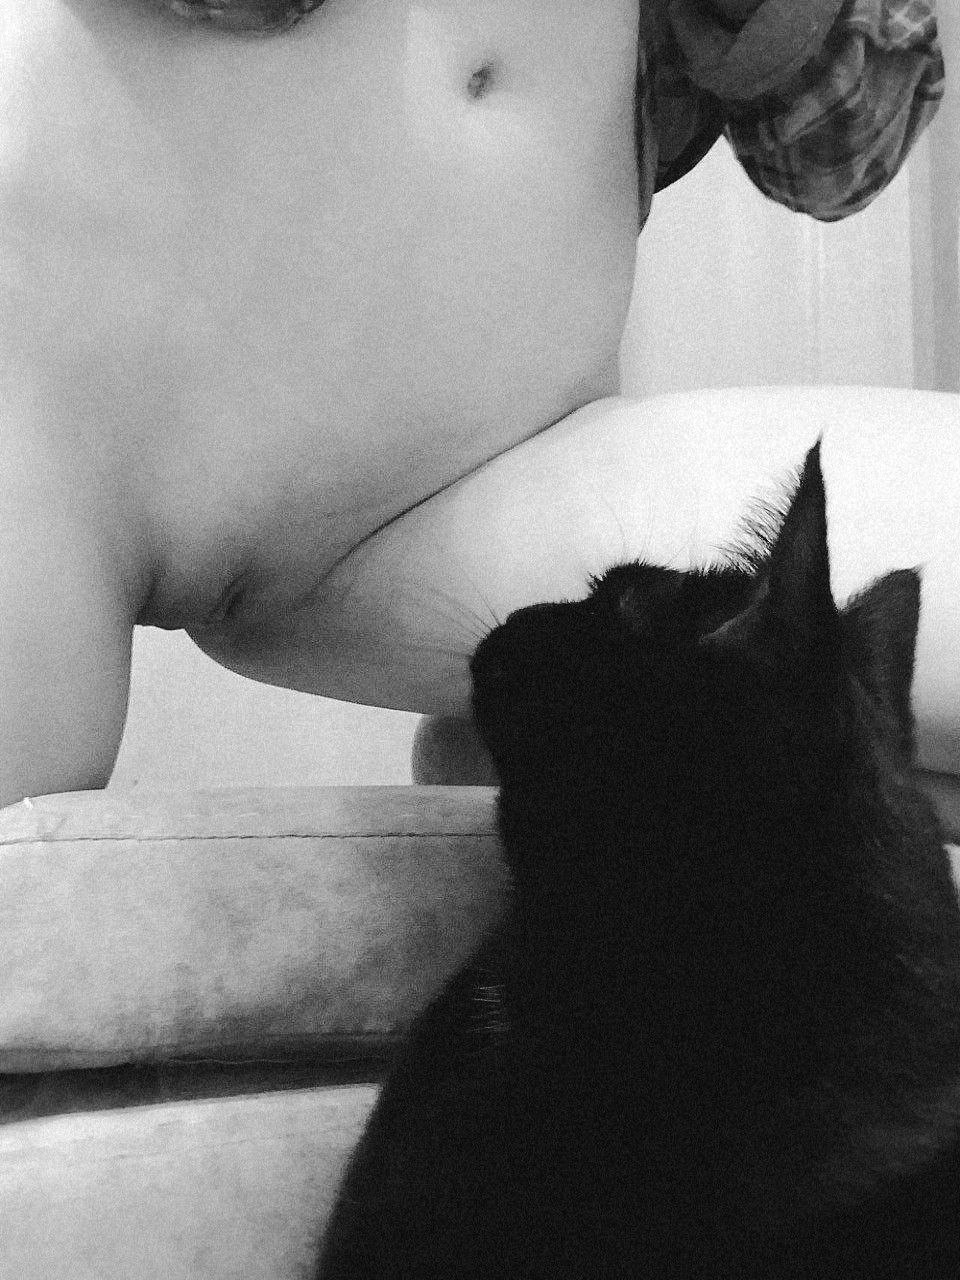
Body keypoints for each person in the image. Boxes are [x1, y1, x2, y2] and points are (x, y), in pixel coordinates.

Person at [0, 0, 953, 811]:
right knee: (24, 870)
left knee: (853, 755)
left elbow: (839, 158)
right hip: (74, 423)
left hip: (502, 469)